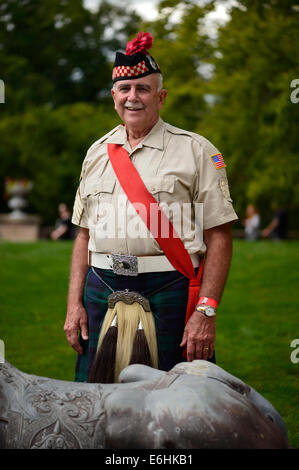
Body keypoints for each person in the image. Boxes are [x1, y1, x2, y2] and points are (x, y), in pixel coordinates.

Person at [63, 32, 238, 383]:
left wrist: (205, 312)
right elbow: (83, 236)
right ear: (114, 96)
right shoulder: (97, 153)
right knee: (97, 402)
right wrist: (74, 304)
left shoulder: (196, 150)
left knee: (175, 407)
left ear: (161, 97)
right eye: (125, 89)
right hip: (102, 285)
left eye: (143, 89)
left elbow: (218, 236)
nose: (133, 97)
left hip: (169, 286)